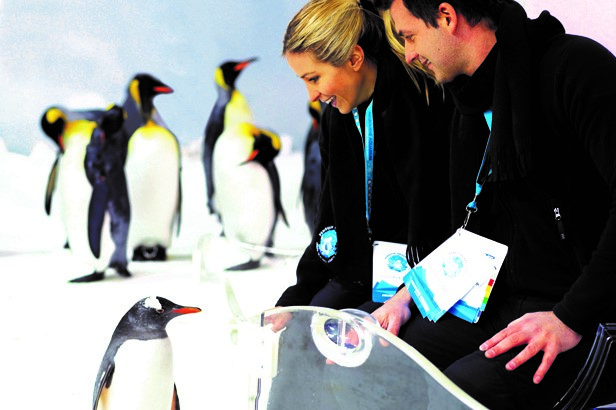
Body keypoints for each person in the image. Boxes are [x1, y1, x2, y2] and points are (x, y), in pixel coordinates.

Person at [371, 0, 616, 408]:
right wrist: (410, 292)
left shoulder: (573, 67)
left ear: (447, 17)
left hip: (588, 313)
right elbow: (469, 234)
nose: (409, 55)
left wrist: (572, 315)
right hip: (508, 305)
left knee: (459, 394)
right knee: (388, 361)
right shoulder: (467, 108)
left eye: (410, 36)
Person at [275, 0, 453, 314]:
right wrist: (298, 296)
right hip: (361, 275)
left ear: (355, 58)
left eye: (314, 78)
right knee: (301, 331)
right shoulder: (337, 115)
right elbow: (328, 217)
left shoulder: (416, 101)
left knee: (349, 344)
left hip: (420, 279)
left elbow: (437, 217)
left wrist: (404, 295)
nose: (311, 96)